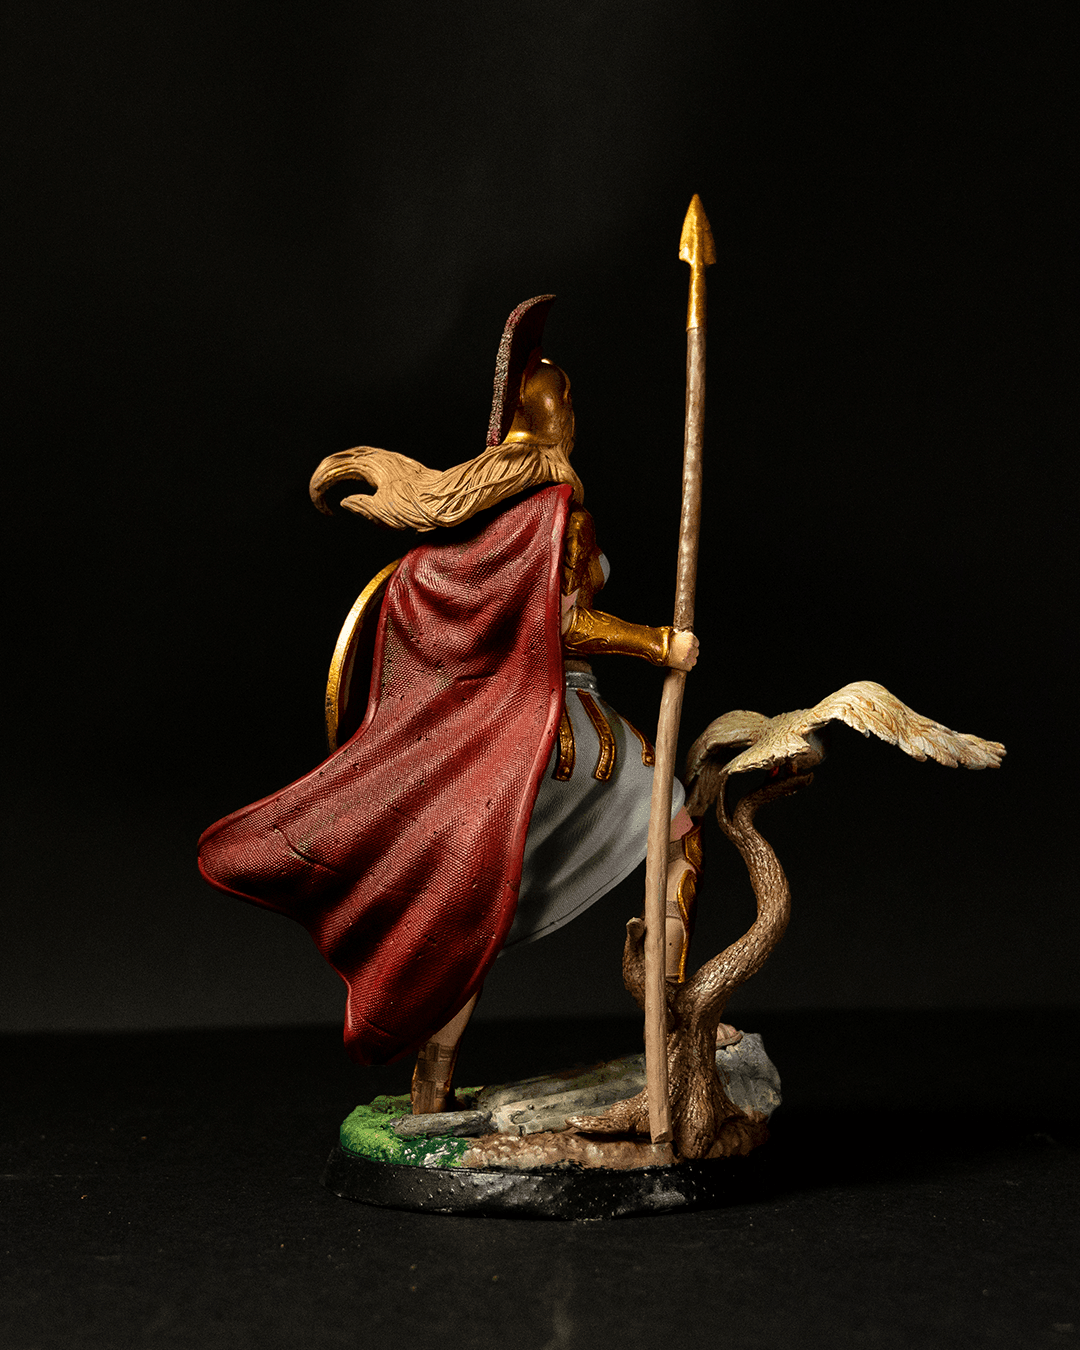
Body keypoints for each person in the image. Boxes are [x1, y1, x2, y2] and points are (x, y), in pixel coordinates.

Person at [198, 297, 700, 1113]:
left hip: (526, 727)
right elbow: (564, 623)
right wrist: (659, 643)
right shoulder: (557, 511)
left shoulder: (503, 516)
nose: (573, 410)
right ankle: (672, 1016)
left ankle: (437, 1081)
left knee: (473, 914)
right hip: (561, 730)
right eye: (564, 397)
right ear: (546, 416)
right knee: (675, 833)